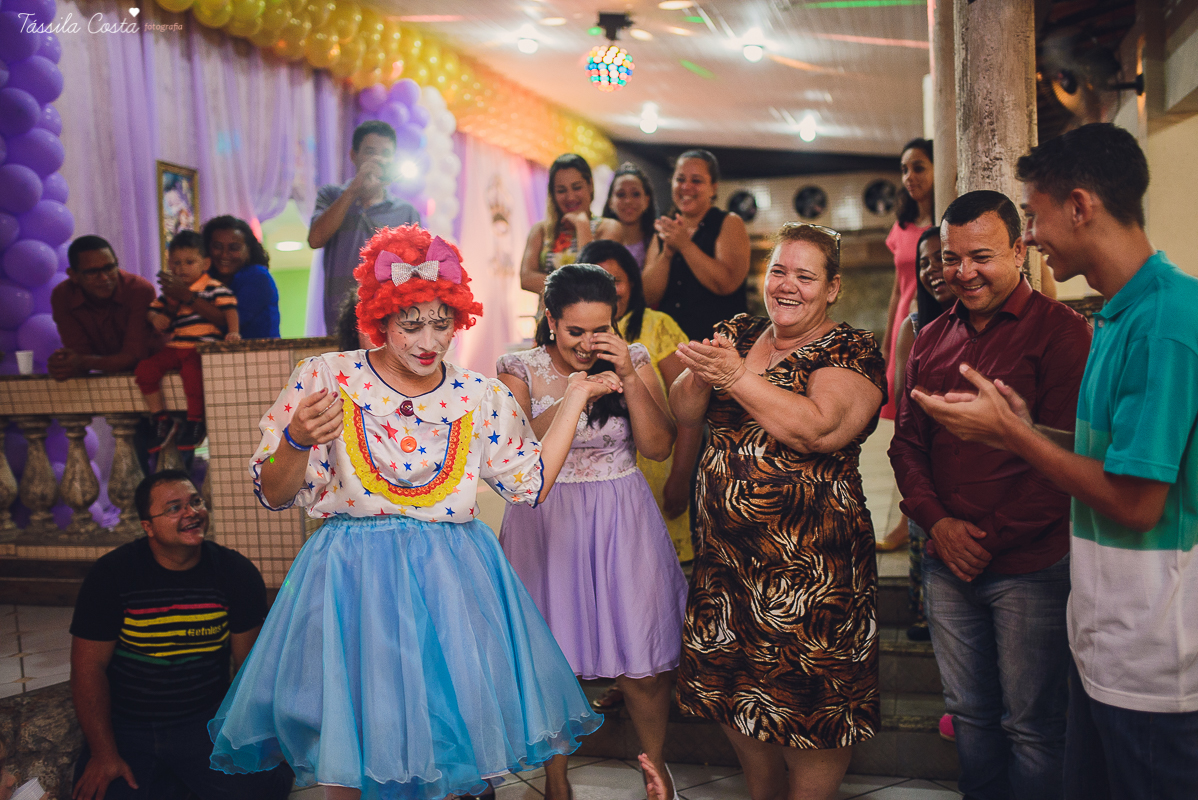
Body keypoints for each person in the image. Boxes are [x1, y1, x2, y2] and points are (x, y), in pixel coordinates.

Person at [208, 224, 608, 800]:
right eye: (410, 323)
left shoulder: (480, 395)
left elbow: (530, 484)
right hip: (352, 580)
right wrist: (295, 439)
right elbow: (273, 494)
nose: (428, 340)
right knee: (350, 748)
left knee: (455, 747)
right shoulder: (327, 377)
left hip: (453, 579)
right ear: (379, 316)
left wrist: (573, 396)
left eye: (442, 323)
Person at [910, 123, 1198, 800]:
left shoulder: (1167, 320)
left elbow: (1137, 500)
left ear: (1080, 206)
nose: (1032, 235)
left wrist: (1014, 438)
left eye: (1034, 217)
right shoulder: (1119, 315)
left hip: (1159, 655)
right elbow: (1106, 457)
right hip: (1105, 638)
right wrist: (1020, 426)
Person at [670, 223, 885, 800]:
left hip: (811, 573)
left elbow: (819, 429)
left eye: (805, 276)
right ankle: (762, 789)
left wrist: (736, 377)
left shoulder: (850, 348)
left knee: (816, 701)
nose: (787, 286)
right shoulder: (739, 331)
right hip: (728, 565)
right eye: (778, 272)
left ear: (832, 287)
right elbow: (684, 411)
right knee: (734, 686)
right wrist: (702, 370)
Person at [889, 191, 1091, 800]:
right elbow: (907, 445)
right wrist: (938, 526)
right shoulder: (930, 336)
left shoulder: (1062, 333)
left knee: (1032, 727)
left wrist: (985, 539)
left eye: (981, 257)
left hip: (1032, 565)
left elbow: (1066, 461)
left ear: (1019, 250)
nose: (963, 273)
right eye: (952, 259)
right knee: (969, 718)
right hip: (948, 562)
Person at [497, 263, 689, 800]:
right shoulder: (519, 368)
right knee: (551, 655)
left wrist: (628, 376)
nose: (586, 343)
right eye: (574, 331)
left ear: (615, 322)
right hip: (546, 520)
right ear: (551, 321)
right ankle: (556, 781)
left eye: (599, 330)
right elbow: (512, 450)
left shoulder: (634, 362)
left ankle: (655, 771)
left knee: (644, 661)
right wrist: (574, 394)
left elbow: (657, 446)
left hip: (621, 515)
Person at [69, 470, 293, 800]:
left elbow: (249, 671)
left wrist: (251, 732)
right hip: (129, 725)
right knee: (104, 791)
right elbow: (88, 670)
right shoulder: (112, 576)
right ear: (148, 526)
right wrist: (104, 755)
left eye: (196, 502)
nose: (191, 513)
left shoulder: (235, 573)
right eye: (174, 508)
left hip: (203, 720)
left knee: (265, 782)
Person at [578, 240, 698, 563]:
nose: (608, 289)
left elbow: (688, 409)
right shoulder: (573, 339)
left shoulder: (657, 326)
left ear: (632, 281)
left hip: (658, 474)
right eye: (597, 279)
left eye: (615, 280)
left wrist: (682, 476)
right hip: (592, 495)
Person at [889, 227, 954, 640]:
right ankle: (924, 617)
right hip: (929, 459)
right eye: (923, 263)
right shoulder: (914, 328)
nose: (931, 271)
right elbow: (902, 406)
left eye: (939, 260)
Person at [309, 120, 420, 333]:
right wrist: (352, 191)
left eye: (386, 153)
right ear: (353, 156)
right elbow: (315, 240)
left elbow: (416, 271)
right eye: (370, 151)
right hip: (341, 320)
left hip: (392, 319)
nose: (379, 159)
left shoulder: (406, 211)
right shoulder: (332, 195)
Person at [135, 231, 238, 452]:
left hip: (201, 347)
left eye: (189, 262)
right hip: (176, 345)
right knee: (145, 370)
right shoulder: (170, 292)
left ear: (205, 263)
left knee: (192, 377)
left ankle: (195, 422)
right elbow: (153, 312)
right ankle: (161, 418)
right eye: (176, 263)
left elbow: (229, 309)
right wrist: (157, 318)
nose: (181, 268)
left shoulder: (212, 286)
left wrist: (234, 332)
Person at [643, 149, 751, 342]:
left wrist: (685, 245)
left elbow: (726, 283)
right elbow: (647, 296)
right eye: (680, 179)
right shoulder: (665, 229)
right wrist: (667, 254)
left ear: (713, 188)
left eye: (696, 181)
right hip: (670, 346)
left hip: (718, 345)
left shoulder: (729, 222)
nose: (686, 187)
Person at [48, 236, 159, 381]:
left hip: (158, 377)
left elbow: (133, 357)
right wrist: (65, 364)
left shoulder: (139, 290)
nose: (104, 278)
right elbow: (78, 353)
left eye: (109, 268)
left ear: (117, 263)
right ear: (73, 275)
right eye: (92, 272)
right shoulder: (63, 296)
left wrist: (80, 362)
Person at [879, 138, 934, 425]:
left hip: (934, 317)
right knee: (897, 400)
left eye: (918, 168)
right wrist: (887, 342)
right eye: (904, 170)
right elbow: (897, 288)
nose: (909, 177)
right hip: (904, 318)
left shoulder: (943, 223)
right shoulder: (901, 227)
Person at [519, 153, 598, 299]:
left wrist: (582, 225)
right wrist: (575, 285)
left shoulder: (607, 228)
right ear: (552, 194)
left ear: (590, 185)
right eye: (562, 190)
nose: (570, 197)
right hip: (548, 318)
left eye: (576, 187)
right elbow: (526, 279)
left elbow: (592, 279)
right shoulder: (541, 231)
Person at [199, 215, 279, 339]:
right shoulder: (206, 277)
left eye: (234, 248)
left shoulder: (258, 277)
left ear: (248, 250)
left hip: (260, 356)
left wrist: (187, 296)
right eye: (217, 247)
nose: (224, 254)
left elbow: (229, 323)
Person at [596, 162, 657, 269]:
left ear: (647, 200)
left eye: (635, 194)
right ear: (610, 202)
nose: (628, 201)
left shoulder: (658, 241)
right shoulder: (597, 239)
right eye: (621, 194)